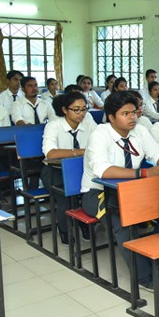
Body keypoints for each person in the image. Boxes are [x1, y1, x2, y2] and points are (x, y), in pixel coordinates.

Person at [81, 91, 159, 292]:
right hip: (97, 193)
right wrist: (145, 173)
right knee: (123, 220)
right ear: (111, 117)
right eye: (125, 113)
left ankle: (147, 257)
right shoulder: (100, 135)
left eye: (134, 112)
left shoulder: (141, 131)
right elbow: (103, 170)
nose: (132, 117)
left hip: (133, 190)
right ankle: (144, 275)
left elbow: (158, 155)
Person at [41, 91, 96, 244]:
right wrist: (81, 152)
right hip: (56, 172)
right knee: (67, 198)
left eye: (84, 109)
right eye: (76, 109)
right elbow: (51, 154)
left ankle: (84, 223)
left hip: (82, 170)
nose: (81, 113)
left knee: (91, 194)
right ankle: (65, 229)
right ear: (65, 110)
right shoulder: (53, 125)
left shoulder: (88, 122)